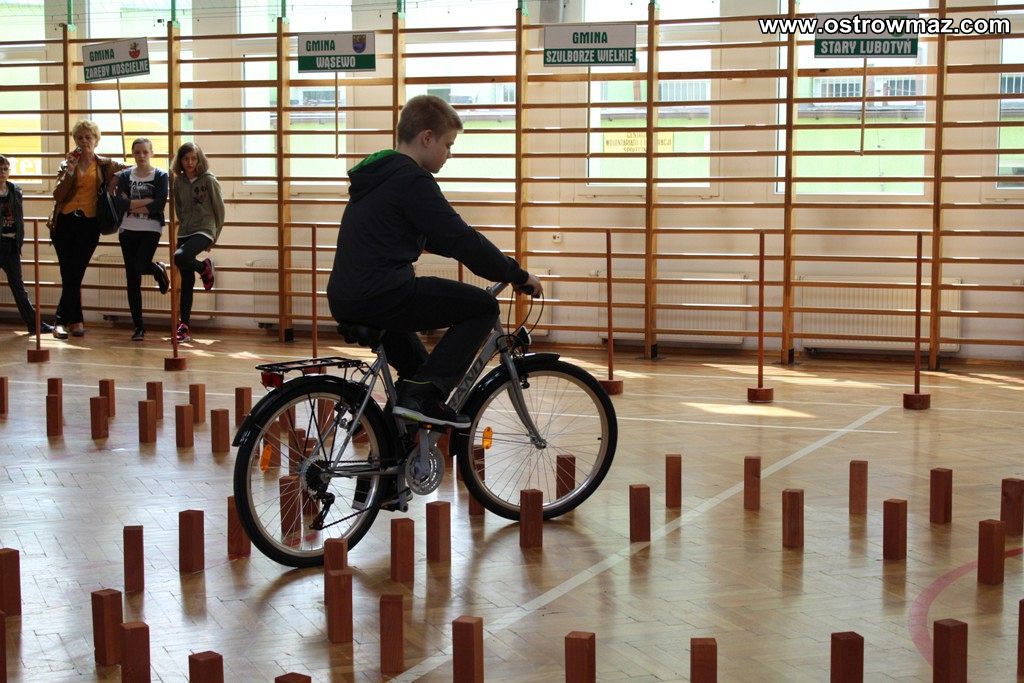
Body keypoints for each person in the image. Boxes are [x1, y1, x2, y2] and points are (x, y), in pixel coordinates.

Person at [327, 94, 542, 428]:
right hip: (382, 294)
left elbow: (433, 237)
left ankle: (392, 447)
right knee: (482, 307)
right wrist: (516, 273)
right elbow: (460, 239)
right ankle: (423, 397)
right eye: (448, 144)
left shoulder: (380, 174)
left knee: (418, 372)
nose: (449, 154)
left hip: (350, 296)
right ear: (427, 138)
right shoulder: (411, 180)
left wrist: (484, 257)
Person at [48, 119, 126, 339]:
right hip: (64, 223)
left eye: (88, 137)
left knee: (76, 273)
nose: (84, 141)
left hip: (89, 224)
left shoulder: (104, 164)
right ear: (75, 140)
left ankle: (62, 321)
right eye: (80, 137)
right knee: (69, 274)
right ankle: (74, 321)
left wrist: (116, 180)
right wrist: (70, 171)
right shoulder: (66, 164)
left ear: (96, 140)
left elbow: (131, 169)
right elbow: (58, 195)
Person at [114, 138, 169, 341]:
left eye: (145, 151)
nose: (141, 155)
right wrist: (145, 201)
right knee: (132, 278)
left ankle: (156, 269)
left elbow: (158, 205)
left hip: (151, 229)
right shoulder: (125, 175)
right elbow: (120, 203)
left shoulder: (161, 175)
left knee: (140, 265)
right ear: (133, 154)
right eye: (137, 152)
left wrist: (132, 203)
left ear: (151, 153)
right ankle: (139, 327)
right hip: (127, 229)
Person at [170, 142, 223, 343]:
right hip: (185, 230)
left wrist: (215, 236)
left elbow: (220, 209)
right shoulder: (178, 182)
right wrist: (182, 226)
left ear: (199, 159)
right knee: (186, 281)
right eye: (186, 159)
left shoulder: (208, 180)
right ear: (180, 161)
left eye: (193, 158)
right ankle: (184, 326)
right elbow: (179, 208)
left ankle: (203, 268)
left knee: (179, 257)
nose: (190, 162)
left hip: (205, 229)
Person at [0, 155, 52, 335]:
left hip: (10, 244)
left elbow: (18, 217)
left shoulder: (15, 190)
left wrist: (18, 239)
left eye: (5, 169)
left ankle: (34, 324)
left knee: (18, 286)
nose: (2, 173)